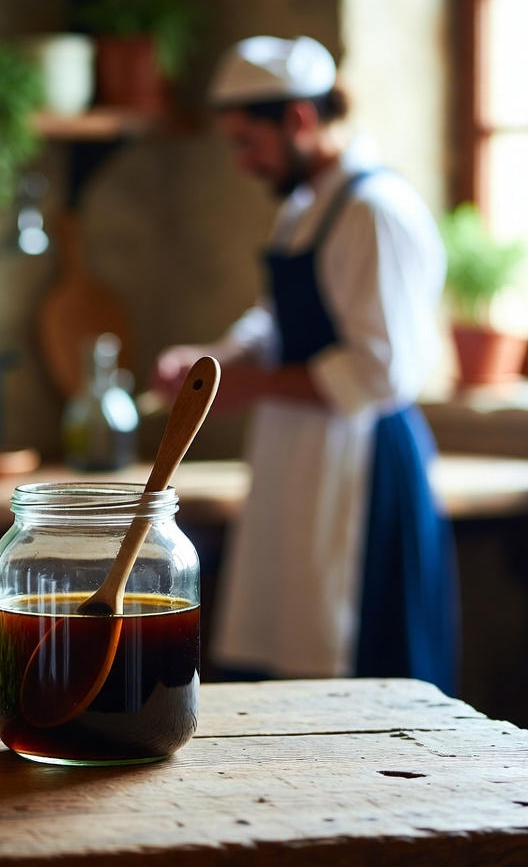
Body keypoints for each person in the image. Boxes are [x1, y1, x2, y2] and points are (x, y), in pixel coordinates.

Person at [151, 35, 459, 694]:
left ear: (298, 119)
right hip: (297, 455)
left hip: (362, 463)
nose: (243, 162)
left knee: (362, 668)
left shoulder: (373, 213)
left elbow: (382, 371)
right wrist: (213, 366)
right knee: (285, 648)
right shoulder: (302, 212)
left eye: (247, 141)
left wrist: (245, 387)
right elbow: (273, 324)